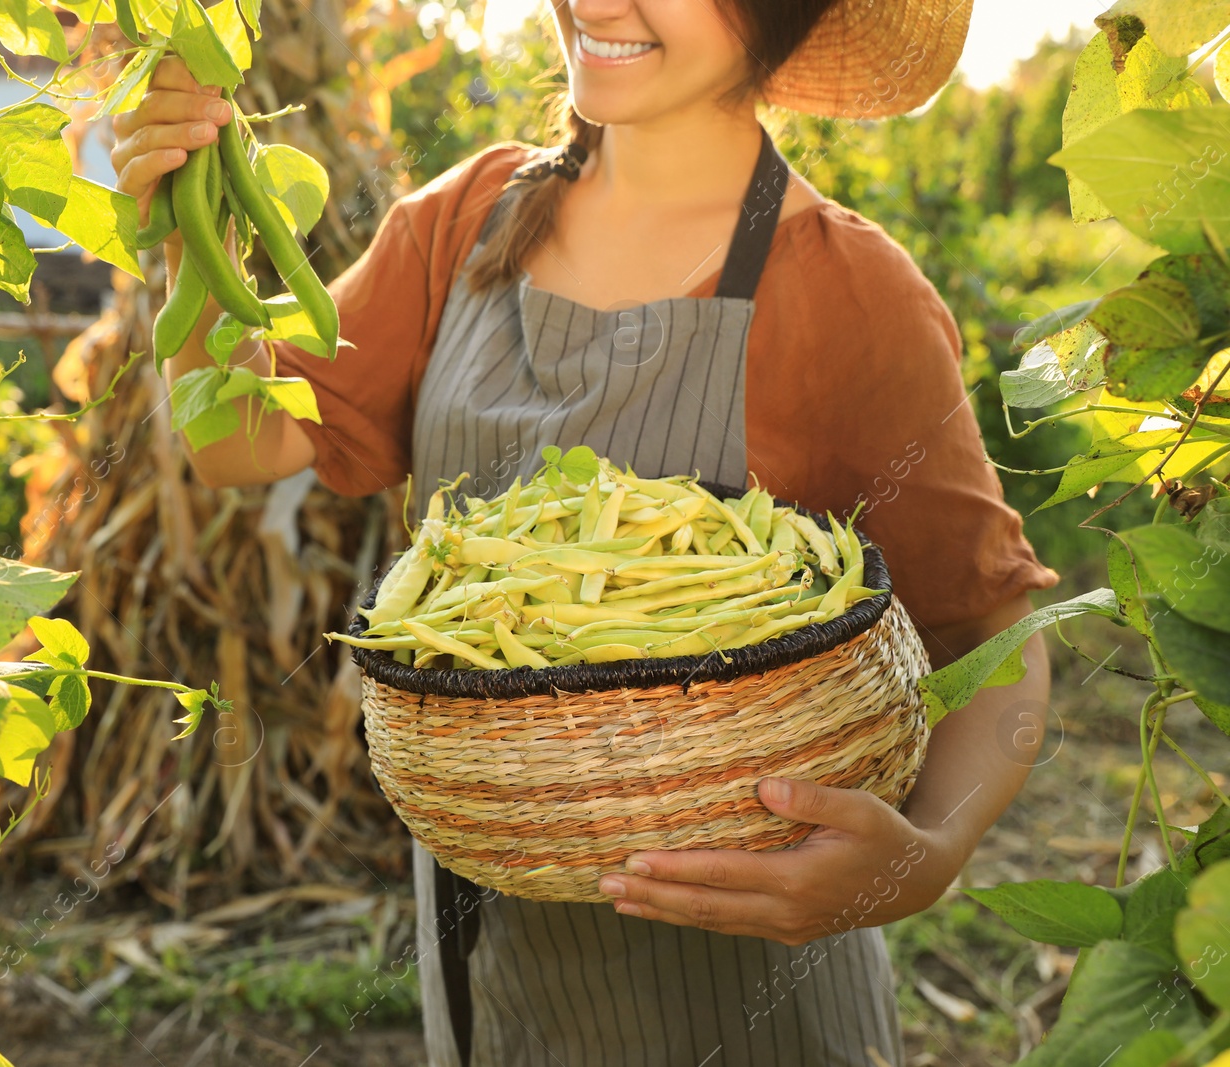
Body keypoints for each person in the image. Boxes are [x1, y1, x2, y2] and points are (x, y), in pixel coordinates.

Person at [111, 0, 1058, 1061]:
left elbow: (995, 634)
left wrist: (924, 854)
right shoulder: (465, 218)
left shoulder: (850, 291)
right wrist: (188, 218)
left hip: (747, 1000)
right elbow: (235, 441)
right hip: (495, 973)